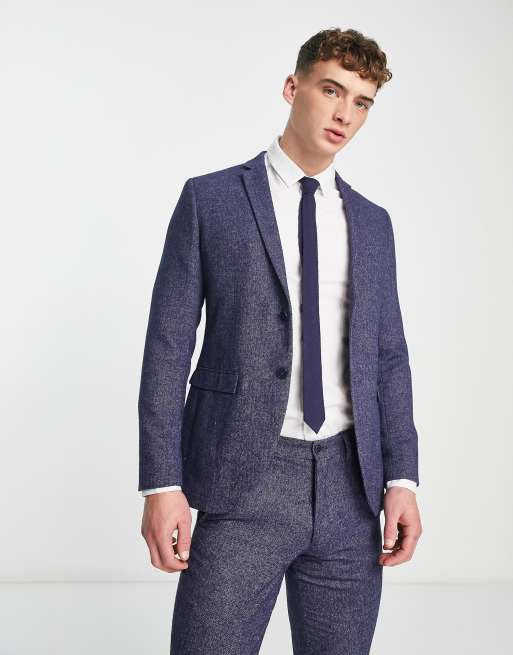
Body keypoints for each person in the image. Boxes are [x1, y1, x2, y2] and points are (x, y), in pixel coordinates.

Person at [138, 27, 422, 655]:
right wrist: (162, 484)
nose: (345, 114)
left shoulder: (373, 224)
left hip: (352, 488)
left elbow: (389, 358)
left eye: (362, 102)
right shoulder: (211, 200)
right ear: (293, 88)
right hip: (240, 479)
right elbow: (167, 349)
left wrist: (403, 477)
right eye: (331, 91)